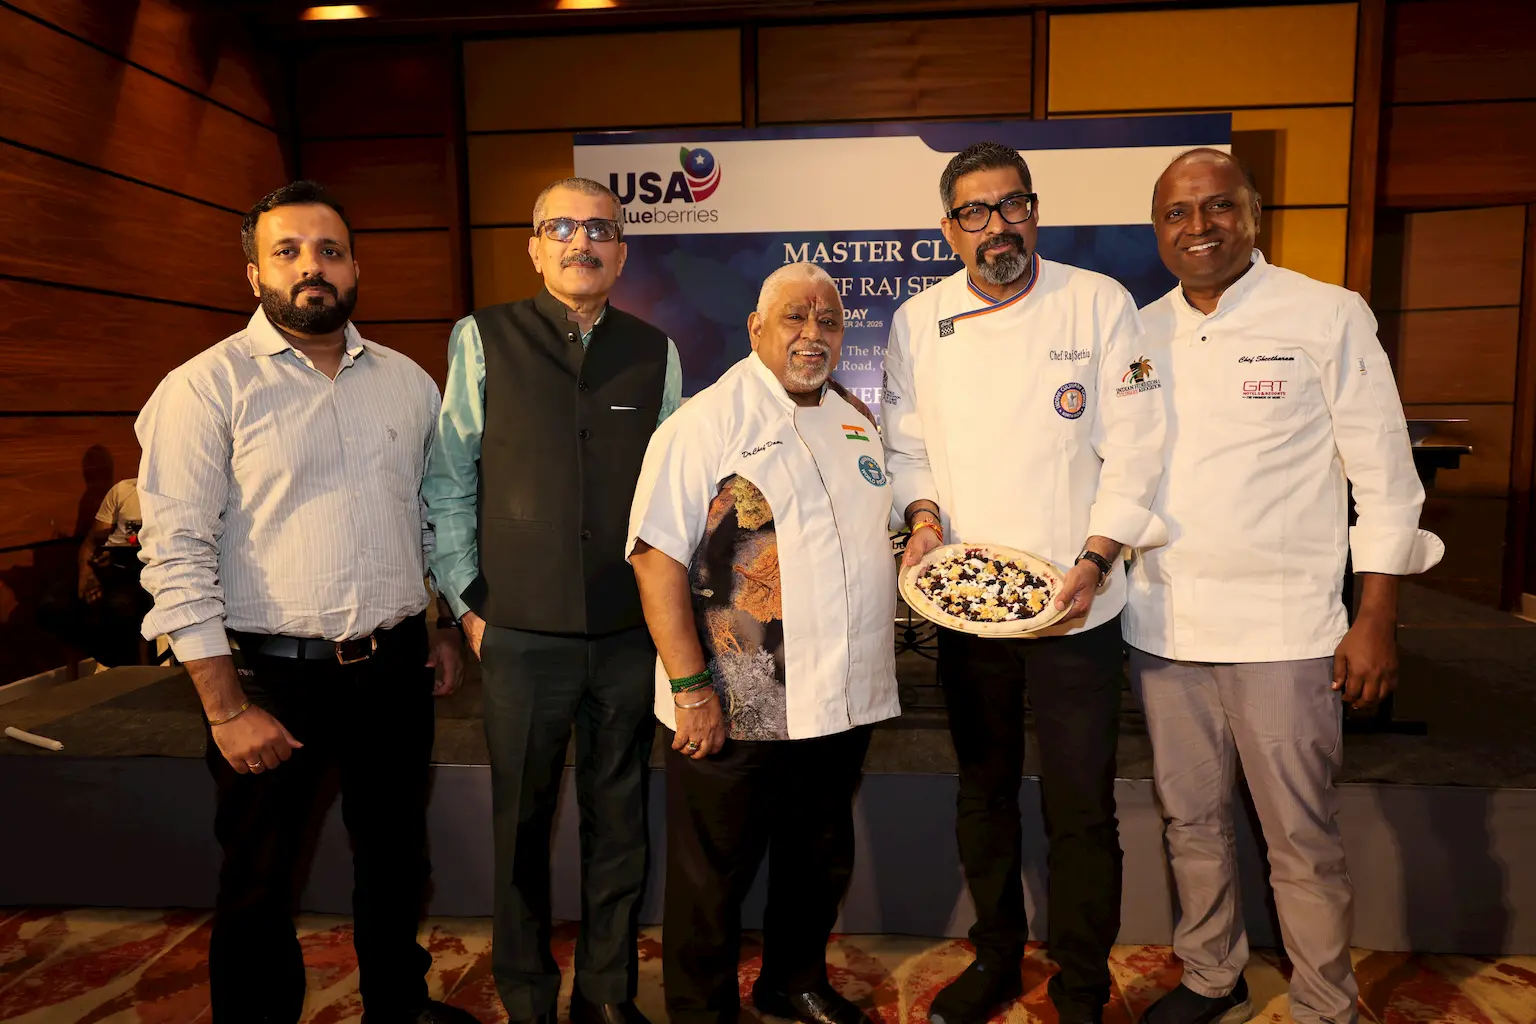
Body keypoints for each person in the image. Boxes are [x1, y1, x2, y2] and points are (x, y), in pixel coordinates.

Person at [135, 181, 475, 1024]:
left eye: (328, 250)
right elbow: (174, 554)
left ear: (355, 266)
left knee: (397, 859)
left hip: (394, 667)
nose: (310, 268)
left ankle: (399, 1005)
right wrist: (223, 707)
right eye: (286, 252)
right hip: (270, 677)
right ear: (253, 274)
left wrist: (435, 625)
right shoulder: (205, 389)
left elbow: (427, 517)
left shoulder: (406, 382)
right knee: (260, 878)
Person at [1124, 148, 1443, 1024]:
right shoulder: (1136, 333)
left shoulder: (1328, 315)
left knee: (1300, 838)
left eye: (1218, 207)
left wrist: (1376, 616)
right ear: (1157, 230)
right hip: (1161, 629)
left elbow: (1386, 479)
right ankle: (1209, 974)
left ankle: (1323, 1002)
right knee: (1190, 825)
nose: (1200, 227)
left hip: (1287, 632)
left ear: (1252, 215)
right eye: (1178, 214)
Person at [881, 142, 1169, 1024]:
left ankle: (1081, 983)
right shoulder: (916, 321)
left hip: (1077, 607)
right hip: (973, 608)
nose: (996, 227)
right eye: (975, 212)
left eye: (1012, 206)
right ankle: (998, 958)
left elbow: (1139, 444)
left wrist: (1094, 559)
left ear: (1034, 211)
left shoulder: (1098, 301)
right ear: (948, 229)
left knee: (1083, 807)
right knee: (985, 792)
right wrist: (923, 521)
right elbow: (906, 445)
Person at [423, 176, 682, 1024]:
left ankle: (606, 994)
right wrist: (469, 603)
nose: (582, 241)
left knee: (622, 825)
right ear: (534, 247)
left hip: (624, 634)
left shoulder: (657, 352)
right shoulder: (483, 337)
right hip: (518, 633)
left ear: (623, 251)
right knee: (520, 828)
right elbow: (449, 477)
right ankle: (527, 994)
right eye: (561, 227)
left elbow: (674, 498)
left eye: (599, 228)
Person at [627, 262, 898, 1024]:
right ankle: (700, 1009)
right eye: (795, 318)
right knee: (713, 874)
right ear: (756, 328)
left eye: (829, 321)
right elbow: (654, 559)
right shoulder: (705, 424)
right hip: (736, 702)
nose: (814, 335)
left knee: (817, 857)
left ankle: (792, 980)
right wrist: (690, 690)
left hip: (839, 698)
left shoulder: (851, 420)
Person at [38, 478, 152, 668]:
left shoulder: (178, 496)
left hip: (144, 571)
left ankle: (125, 670)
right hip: (112, 564)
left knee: (119, 607)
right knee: (50, 604)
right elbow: (92, 541)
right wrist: (85, 573)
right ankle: (105, 660)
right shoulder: (123, 490)